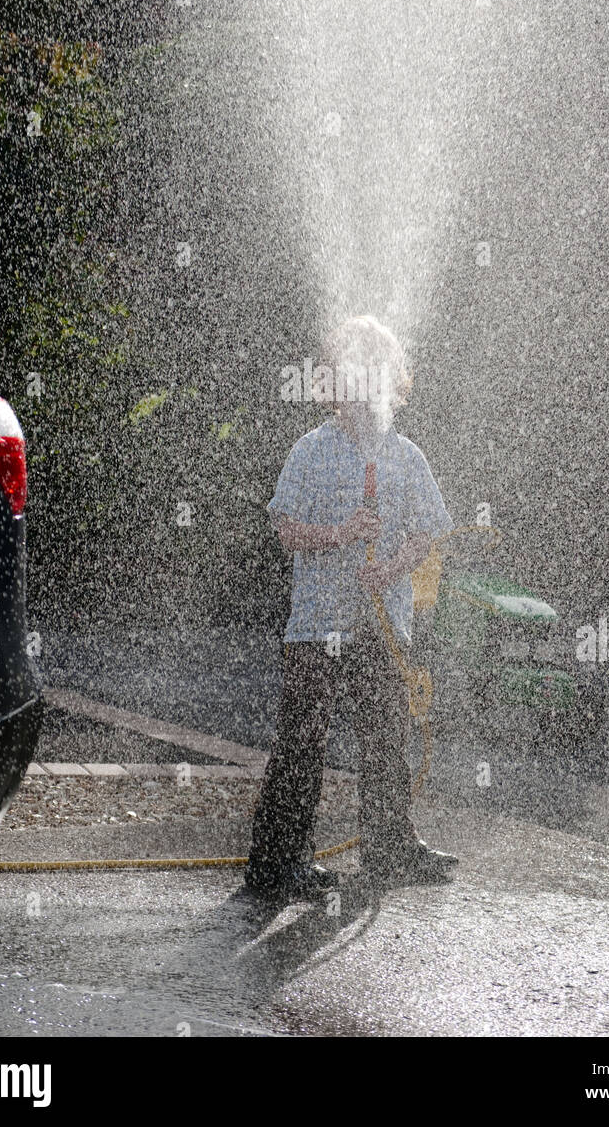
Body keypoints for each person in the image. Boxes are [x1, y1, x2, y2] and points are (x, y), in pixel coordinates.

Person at [244, 314, 458, 901]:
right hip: (319, 625)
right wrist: (340, 535)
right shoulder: (310, 451)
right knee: (302, 739)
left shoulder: (406, 455)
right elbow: (285, 530)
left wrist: (392, 567)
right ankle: (277, 865)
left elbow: (429, 533)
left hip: (383, 628)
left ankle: (390, 849)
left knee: (387, 735)